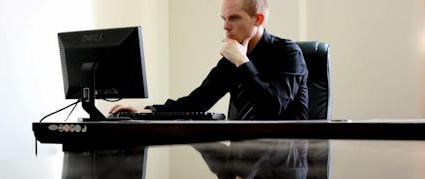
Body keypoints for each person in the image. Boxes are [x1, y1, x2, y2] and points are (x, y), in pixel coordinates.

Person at [110, 0, 308, 120]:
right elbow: (197, 102)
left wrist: (242, 62)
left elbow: (272, 107)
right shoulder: (232, 57)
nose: (226, 27)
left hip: (284, 164)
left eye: (234, 18)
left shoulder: (289, 53)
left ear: (258, 20)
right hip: (242, 157)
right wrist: (146, 112)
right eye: (224, 19)